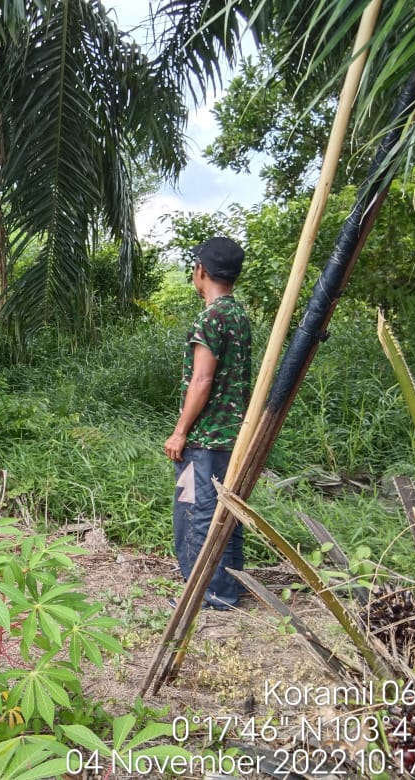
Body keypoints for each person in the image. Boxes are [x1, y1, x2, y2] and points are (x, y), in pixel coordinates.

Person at [164, 236, 252, 610]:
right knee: (223, 511)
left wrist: (180, 431)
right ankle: (229, 586)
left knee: (197, 513)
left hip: (206, 437)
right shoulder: (238, 315)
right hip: (233, 435)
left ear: (200, 271)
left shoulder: (211, 316)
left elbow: (202, 380)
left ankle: (208, 593)